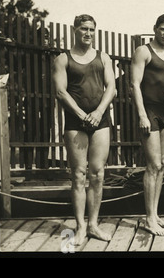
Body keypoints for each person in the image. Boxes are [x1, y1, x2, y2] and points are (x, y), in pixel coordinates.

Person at [52, 14, 116, 245]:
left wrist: (98, 113)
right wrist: (81, 115)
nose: (88, 33)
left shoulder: (103, 57)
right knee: (78, 174)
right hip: (75, 122)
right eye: (83, 29)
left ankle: (93, 225)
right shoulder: (63, 59)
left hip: (100, 120)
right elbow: (61, 92)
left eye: (91, 29)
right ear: (75, 30)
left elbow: (112, 88)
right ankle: (80, 227)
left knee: (98, 174)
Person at [130, 14, 164, 236]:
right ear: (155, 29)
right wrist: (142, 115)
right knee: (152, 165)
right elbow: (134, 84)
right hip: (150, 111)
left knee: (162, 164)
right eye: (163, 29)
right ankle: (148, 218)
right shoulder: (144, 51)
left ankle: (155, 214)